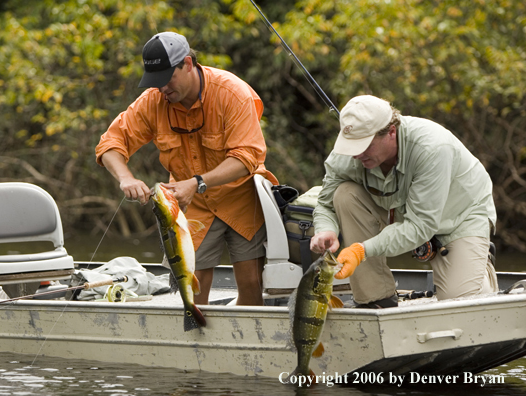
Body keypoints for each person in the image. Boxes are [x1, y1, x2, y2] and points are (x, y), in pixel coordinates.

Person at [95, 32, 278, 306]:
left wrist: (197, 182)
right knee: (193, 283)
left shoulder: (233, 93)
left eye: (168, 79)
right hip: (192, 203)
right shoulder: (153, 101)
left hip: (241, 196)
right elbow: (110, 142)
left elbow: (248, 156)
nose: (163, 89)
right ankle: (196, 338)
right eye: (156, 82)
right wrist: (126, 178)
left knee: (251, 281)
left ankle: (242, 344)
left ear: (188, 64)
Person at [311, 95, 498, 308]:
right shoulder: (348, 154)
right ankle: (376, 299)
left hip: (458, 217)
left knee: (461, 307)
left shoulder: (432, 148)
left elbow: (420, 226)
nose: (356, 155)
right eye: (351, 146)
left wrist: (361, 250)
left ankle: (480, 260)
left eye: (364, 145)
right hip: (398, 210)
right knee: (344, 194)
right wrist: (326, 229)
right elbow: (326, 204)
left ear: (391, 132)